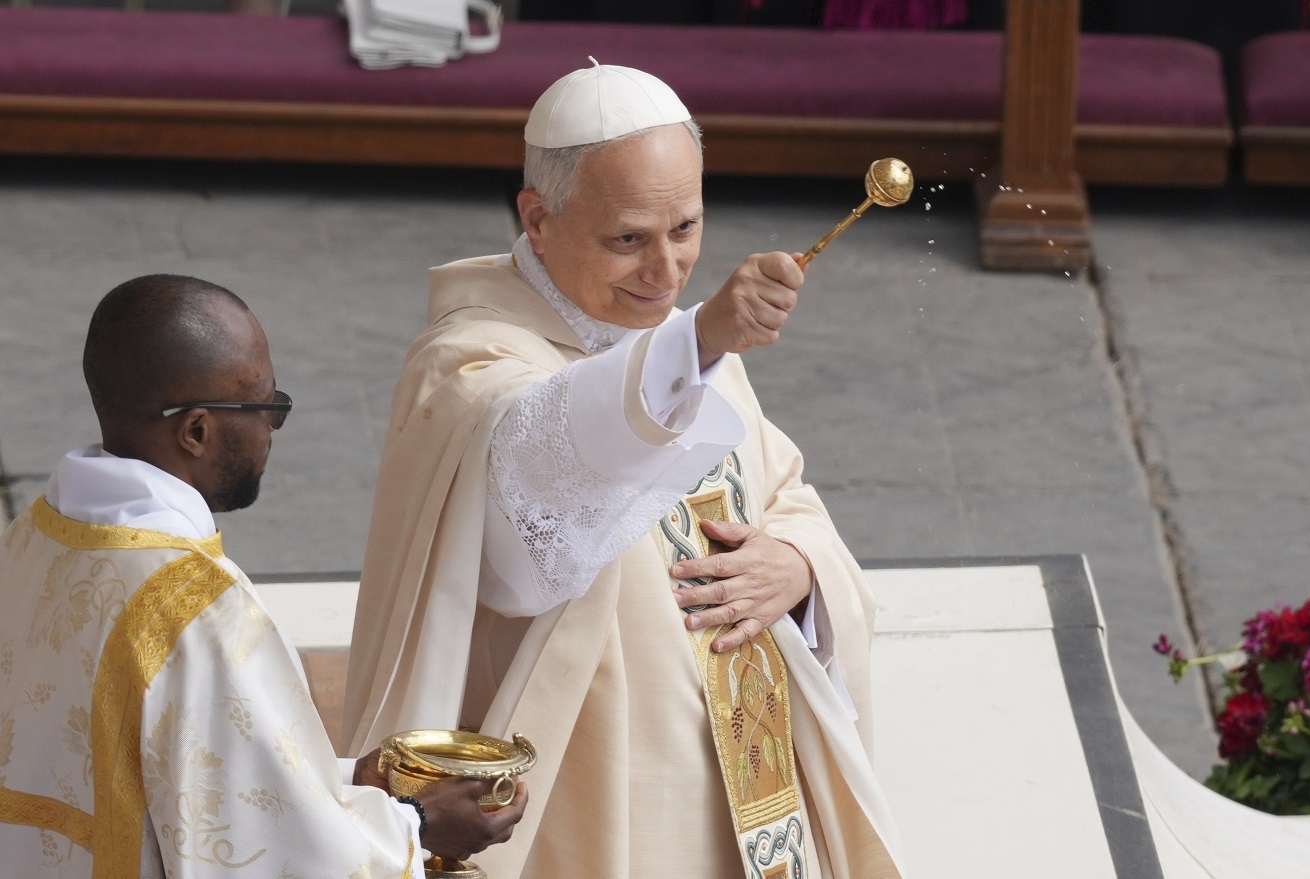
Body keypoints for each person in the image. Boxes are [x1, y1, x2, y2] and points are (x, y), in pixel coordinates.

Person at [343, 63, 905, 878]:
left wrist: (798, 567)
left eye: (686, 228)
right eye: (629, 240)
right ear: (537, 219)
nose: (668, 272)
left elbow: (784, 493)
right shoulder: (469, 361)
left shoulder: (684, 342)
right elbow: (535, 476)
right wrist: (701, 341)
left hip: (746, 782)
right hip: (592, 797)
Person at [0, 274, 526, 877]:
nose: (273, 428)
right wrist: (420, 825)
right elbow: (272, 854)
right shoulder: (198, 612)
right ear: (196, 430)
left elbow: (187, 778)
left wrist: (342, 779)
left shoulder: (34, 539)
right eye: (267, 407)